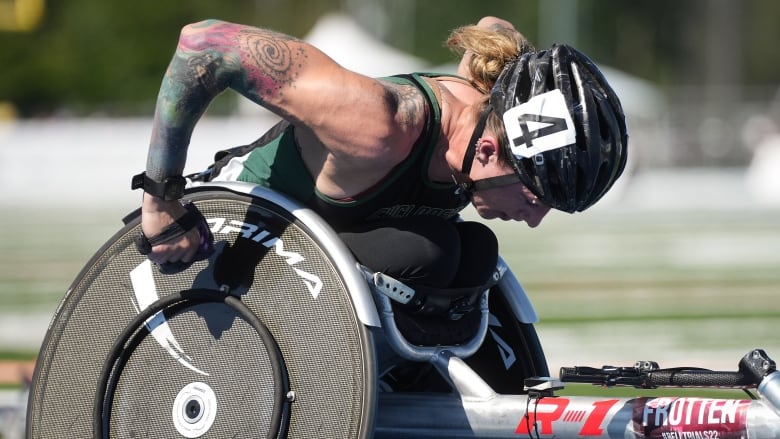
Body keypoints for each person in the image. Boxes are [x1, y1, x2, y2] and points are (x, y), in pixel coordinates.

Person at [132, 16, 628, 390]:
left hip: (321, 251)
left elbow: (494, 28)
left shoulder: (483, 118)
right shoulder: (375, 123)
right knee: (427, 254)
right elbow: (205, 45)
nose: (535, 219)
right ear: (488, 151)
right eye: (534, 196)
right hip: (230, 235)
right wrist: (161, 199)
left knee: (475, 251)